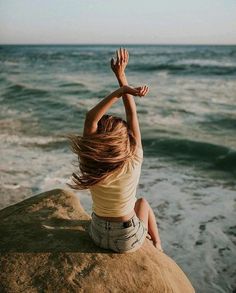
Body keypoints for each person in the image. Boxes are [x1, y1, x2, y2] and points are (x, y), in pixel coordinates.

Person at [68, 48, 162, 253]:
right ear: (124, 139)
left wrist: (121, 90)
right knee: (143, 203)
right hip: (127, 240)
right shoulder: (134, 159)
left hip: (97, 234)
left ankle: (154, 243)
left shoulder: (91, 161)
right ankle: (157, 245)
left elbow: (90, 118)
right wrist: (122, 79)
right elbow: (133, 116)